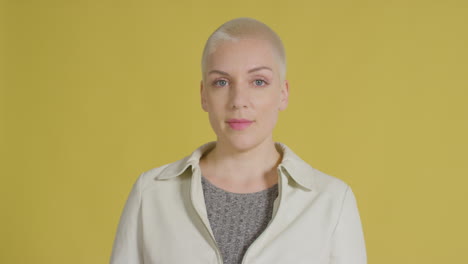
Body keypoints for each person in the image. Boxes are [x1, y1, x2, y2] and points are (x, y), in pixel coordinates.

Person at [110, 17, 367, 264]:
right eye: (221, 82)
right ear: (203, 95)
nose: (238, 100)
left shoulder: (331, 201)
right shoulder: (152, 194)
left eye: (258, 81)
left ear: (283, 94)